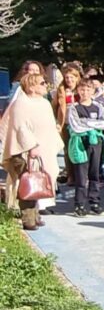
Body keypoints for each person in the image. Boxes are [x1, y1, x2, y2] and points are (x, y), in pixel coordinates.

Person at [1, 73, 62, 230]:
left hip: (45, 150)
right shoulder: (21, 103)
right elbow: (20, 127)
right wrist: (31, 146)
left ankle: (36, 215)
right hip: (25, 151)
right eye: (42, 83)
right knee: (27, 183)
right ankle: (28, 219)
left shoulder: (44, 103)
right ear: (31, 86)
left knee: (39, 182)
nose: (45, 86)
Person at [67, 80, 104, 216]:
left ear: (93, 91)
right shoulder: (74, 108)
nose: (85, 93)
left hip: (96, 142)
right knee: (81, 175)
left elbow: (103, 124)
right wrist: (92, 125)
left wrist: (86, 122)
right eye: (82, 90)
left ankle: (94, 202)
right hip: (80, 143)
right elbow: (76, 126)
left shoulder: (98, 107)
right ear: (78, 91)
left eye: (88, 90)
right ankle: (79, 204)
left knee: (94, 174)